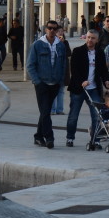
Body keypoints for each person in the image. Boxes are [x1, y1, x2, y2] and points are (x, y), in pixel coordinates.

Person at [26, 20, 71, 149]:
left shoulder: (60, 45)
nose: (52, 31)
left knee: (45, 111)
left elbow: (64, 65)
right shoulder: (38, 45)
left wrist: (61, 81)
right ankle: (49, 137)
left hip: (55, 84)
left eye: (54, 29)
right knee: (46, 111)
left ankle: (38, 136)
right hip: (42, 84)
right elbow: (30, 65)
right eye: (50, 28)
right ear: (45, 29)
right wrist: (37, 81)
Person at [66, 29, 109, 147]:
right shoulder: (77, 51)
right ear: (85, 38)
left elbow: (103, 71)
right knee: (74, 115)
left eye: (93, 38)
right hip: (78, 89)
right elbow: (74, 70)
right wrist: (82, 81)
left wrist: (106, 81)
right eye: (88, 37)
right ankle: (70, 138)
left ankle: (95, 140)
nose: (90, 40)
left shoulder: (100, 53)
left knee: (96, 115)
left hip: (94, 88)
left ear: (97, 40)